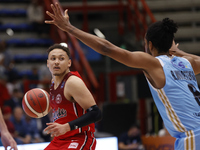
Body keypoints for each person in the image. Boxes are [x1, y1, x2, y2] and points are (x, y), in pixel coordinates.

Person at [45, 3, 200, 149]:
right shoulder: (187, 63)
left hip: (192, 135)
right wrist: (178, 52)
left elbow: (107, 48)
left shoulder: (153, 63)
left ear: (150, 45)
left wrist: (69, 28)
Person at [43, 43, 102, 150]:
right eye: (53, 58)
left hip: (79, 139)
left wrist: (67, 127)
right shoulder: (53, 82)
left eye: (61, 59)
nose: (56, 62)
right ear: (48, 63)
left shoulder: (72, 82)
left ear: (69, 62)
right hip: (59, 140)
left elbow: (96, 114)